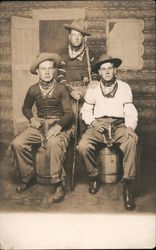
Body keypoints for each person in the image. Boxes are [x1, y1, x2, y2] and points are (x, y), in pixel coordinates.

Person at [9, 52, 73, 203]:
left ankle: (58, 183)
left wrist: (58, 127)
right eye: (43, 69)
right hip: (39, 125)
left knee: (53, 143)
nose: (46, 72)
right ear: (37, 71)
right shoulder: (33, 90)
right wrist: (32, 118)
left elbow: (69, 113)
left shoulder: (61, 89)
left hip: (58, 124)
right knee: (17, 143)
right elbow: (25, 108)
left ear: (54, 70)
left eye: (49, 68)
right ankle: (28, 177)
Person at [77, 54, 138, 211]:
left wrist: (130, 127)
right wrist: (94, 122)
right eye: (103, 69)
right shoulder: (93, 89)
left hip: (119, 125)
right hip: (98, 125)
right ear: (99, 72)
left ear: (115, 69)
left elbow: (129, 109)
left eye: (110, 68)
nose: (107, 72)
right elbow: (85, 111)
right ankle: (94, 176)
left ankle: (128, 185)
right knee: (83, 146)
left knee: (130, 141)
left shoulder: (124, 87)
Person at [57, 18, 98, 139]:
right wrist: (70, 90)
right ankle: (71, 145)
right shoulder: (63, 55)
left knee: (85, 116)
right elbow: (60, 76)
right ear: (69, 36)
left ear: (83, 37)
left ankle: (84, 144)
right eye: (74, 35)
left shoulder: (89, 54)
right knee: (71, 116)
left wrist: (93, 81)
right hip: (68, 90)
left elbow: (95, 72)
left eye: (79, 35)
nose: (76, 38)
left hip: (85, 90)